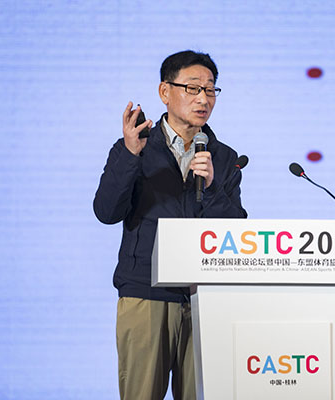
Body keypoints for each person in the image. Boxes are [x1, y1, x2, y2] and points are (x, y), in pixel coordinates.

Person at [93, 50, 247, 400]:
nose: (203, 99)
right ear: (165, 91)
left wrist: (212, 189)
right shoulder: (136, 147)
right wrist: (130, 156)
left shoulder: (224, 157)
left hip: (205, 299)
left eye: (210, 89)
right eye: (193, 88)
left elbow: (237, 233)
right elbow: (106, 211)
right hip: (146, 293)